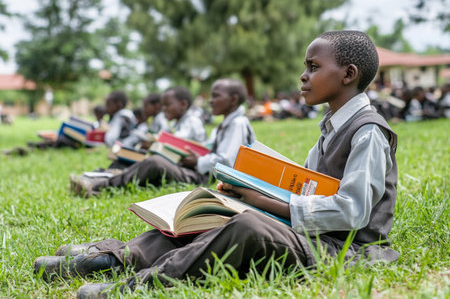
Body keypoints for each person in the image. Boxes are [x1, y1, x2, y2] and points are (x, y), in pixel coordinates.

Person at [34, 31, 398, 299]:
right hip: (309, 234)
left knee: (249, 224)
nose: (303, 76)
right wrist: (247, 193)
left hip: (341, 250)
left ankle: (138, 286)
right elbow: (305, 188)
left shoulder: (368, 132)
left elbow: (353, 211)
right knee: (211, 210)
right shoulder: (330, 128)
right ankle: (115, 258)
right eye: (305, 67)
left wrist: (263, 202)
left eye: (313, 67)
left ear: (348, 74)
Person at [68, 83, 246, 197]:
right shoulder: (225, 124)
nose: (211, 101)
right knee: (136, 160)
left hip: (201, 175)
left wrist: (198, 160)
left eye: (216, 96)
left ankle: (99, 187)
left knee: (154, 163)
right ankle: (96, 177)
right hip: (192, 166)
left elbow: (226, 161)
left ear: (233, 100)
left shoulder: (237, 123)